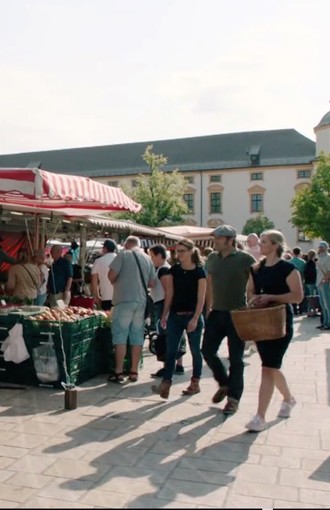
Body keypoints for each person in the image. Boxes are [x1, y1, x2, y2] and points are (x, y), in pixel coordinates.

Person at [245, 230, 303, 432]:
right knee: (271, 365)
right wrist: (254, 299)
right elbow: (250, 290)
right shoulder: (256, 268)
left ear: (276, 245)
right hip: (261, 321)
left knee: (268, 366)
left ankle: (259, 416)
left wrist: (271, 297)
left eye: (264, 242)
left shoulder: (288, 269)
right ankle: (289, 399)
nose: (260, 245)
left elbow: (297, 297)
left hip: (280, 322)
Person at [202, 225, 255, 415]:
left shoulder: (245, 259)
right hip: (217, 312)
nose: (215, 241)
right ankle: (224, 383)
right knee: (206, 350)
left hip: (237, 314)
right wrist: (208, 307)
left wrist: (252, 304)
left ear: (230, 240)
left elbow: (256, 283)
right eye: (215, 237)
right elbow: (209, 284)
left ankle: (233, 399)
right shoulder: (212, 258)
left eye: (218, 238)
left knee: (236, 359)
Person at [152, 238, 206, 399]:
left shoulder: (199, 271)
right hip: (175, 315)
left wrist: (195, 318)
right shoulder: (174, 269)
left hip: (191, 315)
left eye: (182, 251)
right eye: (176, 251)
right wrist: (165, 314)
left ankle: (195, 382)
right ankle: (166, 384)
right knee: (171, 351)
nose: (178, 254)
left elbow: (201, 298)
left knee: (196, 350)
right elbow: (170, 293)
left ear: (190, 251)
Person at [108, 236, 156, 383]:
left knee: (120, 336)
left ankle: (119, 371)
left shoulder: (123, 255)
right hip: (140, 302)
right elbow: (152, 283)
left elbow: (111, 276)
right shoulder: (148, 258)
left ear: (126, 245)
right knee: (137, 336)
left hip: (123, 301)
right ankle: (134, 371)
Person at [148, 244, 185, 378]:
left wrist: (166, 311)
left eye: (152, 256)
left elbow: (168, 290)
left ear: (159, 255)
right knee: (173, 335)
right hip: (165, 303)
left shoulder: (163, 270)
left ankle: (167, 366)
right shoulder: (166, 268)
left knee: (165, 335)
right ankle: (178, 364)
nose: (151, 259)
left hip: (163, 304)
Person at [91, 239, 117, 311]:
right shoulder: (121, 259)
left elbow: (94, 283)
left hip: (106, 297)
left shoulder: (98, 261)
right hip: (121, 297)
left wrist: (97, 297)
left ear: (105, 249)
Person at [315, 241, 330, 330]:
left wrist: (325, 280)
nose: (320, 248)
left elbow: (329, 271)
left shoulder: (328, 257)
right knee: (322, 305)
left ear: (325, 248)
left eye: (322, 247)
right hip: (319, 283)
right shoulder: (319, 258)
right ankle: (324, 322)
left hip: (324, 283)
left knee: (327, 304)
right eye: (319, 246)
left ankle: (329, 323)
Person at [289, 247, 306, 315]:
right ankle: (301, 309)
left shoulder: (290, 262)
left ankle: (295, 310)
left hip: (291, 280)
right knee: (301, 294)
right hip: (301, 280)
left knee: (293, 294)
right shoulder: (303, 262)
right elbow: (304, 272)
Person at [304, 249, 318, 317]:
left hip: (308, 282)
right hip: (311, 282)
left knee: (310, 297)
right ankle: (310, 311)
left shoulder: (307, 262)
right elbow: (313, 273)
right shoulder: (311, 263)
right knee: (311, 297)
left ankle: (311, 311)